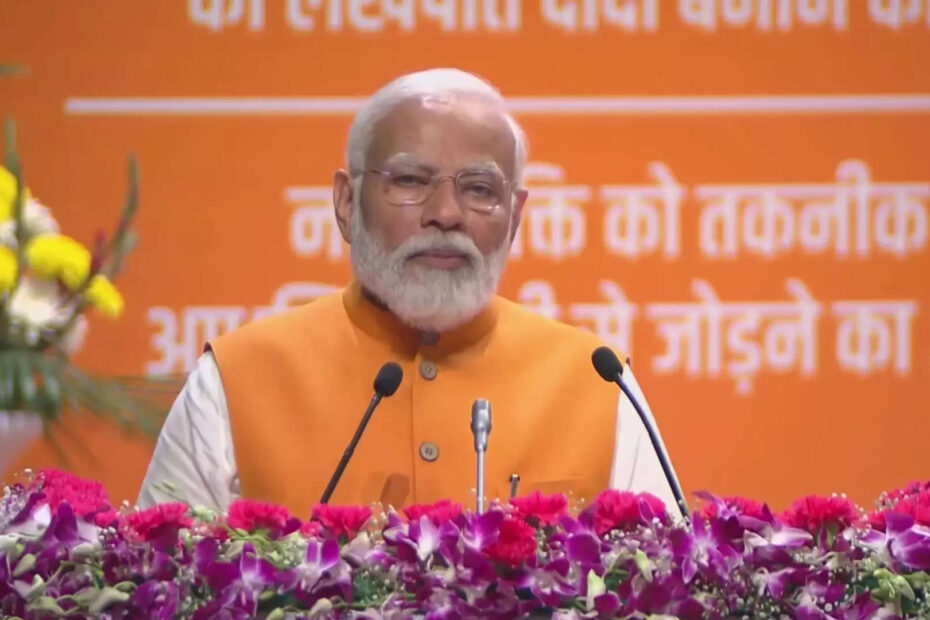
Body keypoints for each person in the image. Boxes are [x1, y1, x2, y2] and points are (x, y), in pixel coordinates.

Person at [138, 68, 681, 517]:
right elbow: (158, 586)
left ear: (515, 217)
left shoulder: (597, 381)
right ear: (346, 203)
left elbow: (662, 586)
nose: (445, 214)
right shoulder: (238, 378)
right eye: (410, 181)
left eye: (479, 189)